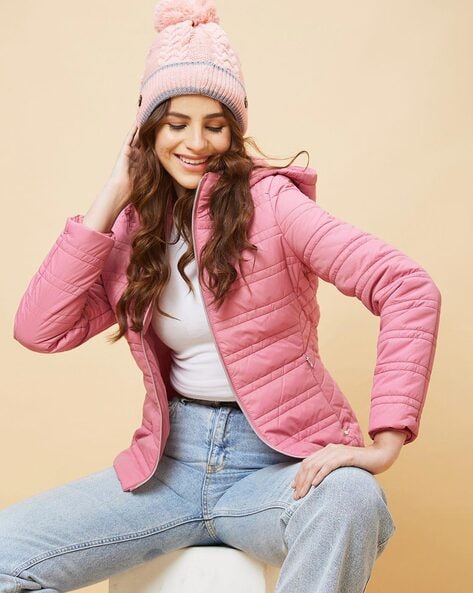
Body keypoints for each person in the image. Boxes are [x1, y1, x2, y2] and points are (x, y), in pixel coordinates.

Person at [2, 1, 441, 592]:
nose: (196, 141)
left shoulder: (277, 207)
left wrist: (386, 441)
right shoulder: (136, 230)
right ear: (147, 127)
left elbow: (406, 286)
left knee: (350, 500)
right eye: (176, 121)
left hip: (274, 470)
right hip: (168, 470)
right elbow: (39, 330)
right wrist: (110, 196)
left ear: (235, 129)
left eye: (215, 122)